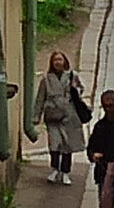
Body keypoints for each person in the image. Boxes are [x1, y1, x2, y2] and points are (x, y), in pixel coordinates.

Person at [32, 51, 85, 185]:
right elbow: (40, 98)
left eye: (60, 59)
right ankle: (55, 169)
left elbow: (80, 90)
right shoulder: (46, 79)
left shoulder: (72, 76)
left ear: (64, 61)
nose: (58, 62)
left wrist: (75, 89)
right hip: (53, 116)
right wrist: (36, 115)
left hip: (68, 115)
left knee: (67, 145)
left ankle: (66, 172)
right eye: (55, 60)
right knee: (54, 144)